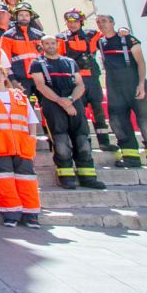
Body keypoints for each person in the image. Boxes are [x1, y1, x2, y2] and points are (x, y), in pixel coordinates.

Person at [30, 34, 106, 190]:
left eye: (53, 43)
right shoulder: (37, 63)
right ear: (42, 45)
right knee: (60, 139)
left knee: (82, 138)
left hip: (74, 101)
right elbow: (40, 86)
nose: (50, 46)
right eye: (47, 43)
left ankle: (88, 176)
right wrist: (61, 102)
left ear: (57, 44)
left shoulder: (70, 62)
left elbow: (80, 85)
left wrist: (70, 100)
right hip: (52, 102)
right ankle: (66, 176)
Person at [0, 63, 43, 228]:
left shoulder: (19, 96)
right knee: (3, 180)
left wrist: (31, 137)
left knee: (26, 179)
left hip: (21, 143)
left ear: (5, 76)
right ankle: (10, 213)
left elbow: (31, 119)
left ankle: (30, 214)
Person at [95, 14, 147, 169]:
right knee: (118, 122)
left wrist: (141, 84)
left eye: (104, 21)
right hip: (114, 87)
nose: (101, 24)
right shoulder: (99, 42)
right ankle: (130, 156)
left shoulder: (127, 39)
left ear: (112, 22)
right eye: (98, 22)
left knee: (145, 121)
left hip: (134, 85)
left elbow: (141, 62)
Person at [57, 9, 115, 151]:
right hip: (74, 81)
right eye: (69, 22)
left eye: (76, 22)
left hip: (92, 79)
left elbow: (109, 34)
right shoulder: (61, 38)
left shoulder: (92, 35)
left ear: (81, 22)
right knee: (79, 114)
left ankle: (104, 142)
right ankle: (83, 144)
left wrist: (123, 31)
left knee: (98, 111)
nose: (73, 25)